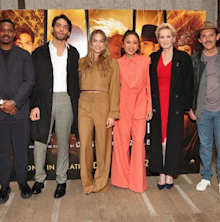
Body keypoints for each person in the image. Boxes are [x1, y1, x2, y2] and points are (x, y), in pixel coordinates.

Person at [0, 19, 35, 203]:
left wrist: (15, 102)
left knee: (21, 151)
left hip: (20, 111)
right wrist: (2, 102)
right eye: (3, 30)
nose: (6, 33)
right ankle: (4, 186)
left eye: (10, 31)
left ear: (14, 33)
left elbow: (29, 81)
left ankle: (23, 183)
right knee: (1, 152)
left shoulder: (24, 55)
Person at [30, 14, 80, 198]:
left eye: (65, 27)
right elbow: (32, 81)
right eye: (58, 26)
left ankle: (61, 179)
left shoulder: (73, 53)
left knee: (64, 142)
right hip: (43, 100)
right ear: (52, 28)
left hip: (66, 100)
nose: (61, 29)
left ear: (68, 31)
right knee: (40, 141)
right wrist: (34, 105)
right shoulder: (38, 53)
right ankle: (39, 179)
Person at [189, 21, 220, 197]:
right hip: (203, 111)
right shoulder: (195, 59)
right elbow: (190, 85)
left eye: (210, 35)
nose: (207, 39)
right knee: (205, 146)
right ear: (199, 40)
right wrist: (190, 107)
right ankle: (206, 177)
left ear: (217, 37)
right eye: (203, 36)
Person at [148, 23, 193, 190]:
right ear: (158, 40)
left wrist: (187, 106)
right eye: (162, 37)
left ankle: (170, 173)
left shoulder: (183, 58)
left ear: (174, 39)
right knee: (159, 139)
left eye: (168, 36)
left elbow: (189, 84)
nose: (165, 40)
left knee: (172, 140)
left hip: (174, 105)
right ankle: (161, 172)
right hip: (157, 105)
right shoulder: (152, 58)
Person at [78, 29, 120, 194]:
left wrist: (113, 113)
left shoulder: (112, 63)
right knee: (85, 145)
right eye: (95, 40)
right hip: (84, 103)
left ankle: (101, 183)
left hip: (103, 103)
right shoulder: (81, 62)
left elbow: (115, 89)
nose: (98, 44)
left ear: (105, 44)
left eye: (101, 41)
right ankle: (87, 184)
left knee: (103, 146)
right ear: (90, 43)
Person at [111, 30, 152, 193]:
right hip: (122, 106)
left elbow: (149, 86)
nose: (131, 45)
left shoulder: (145, 61)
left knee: (138, 145)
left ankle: (137, 182)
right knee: (120, 145)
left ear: (138, 45)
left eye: (135, 42)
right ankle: (122, 180)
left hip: (140, 106)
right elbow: (113, 89)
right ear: (123, 44)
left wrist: (149, 107)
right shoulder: (116, 63)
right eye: (128, 42)